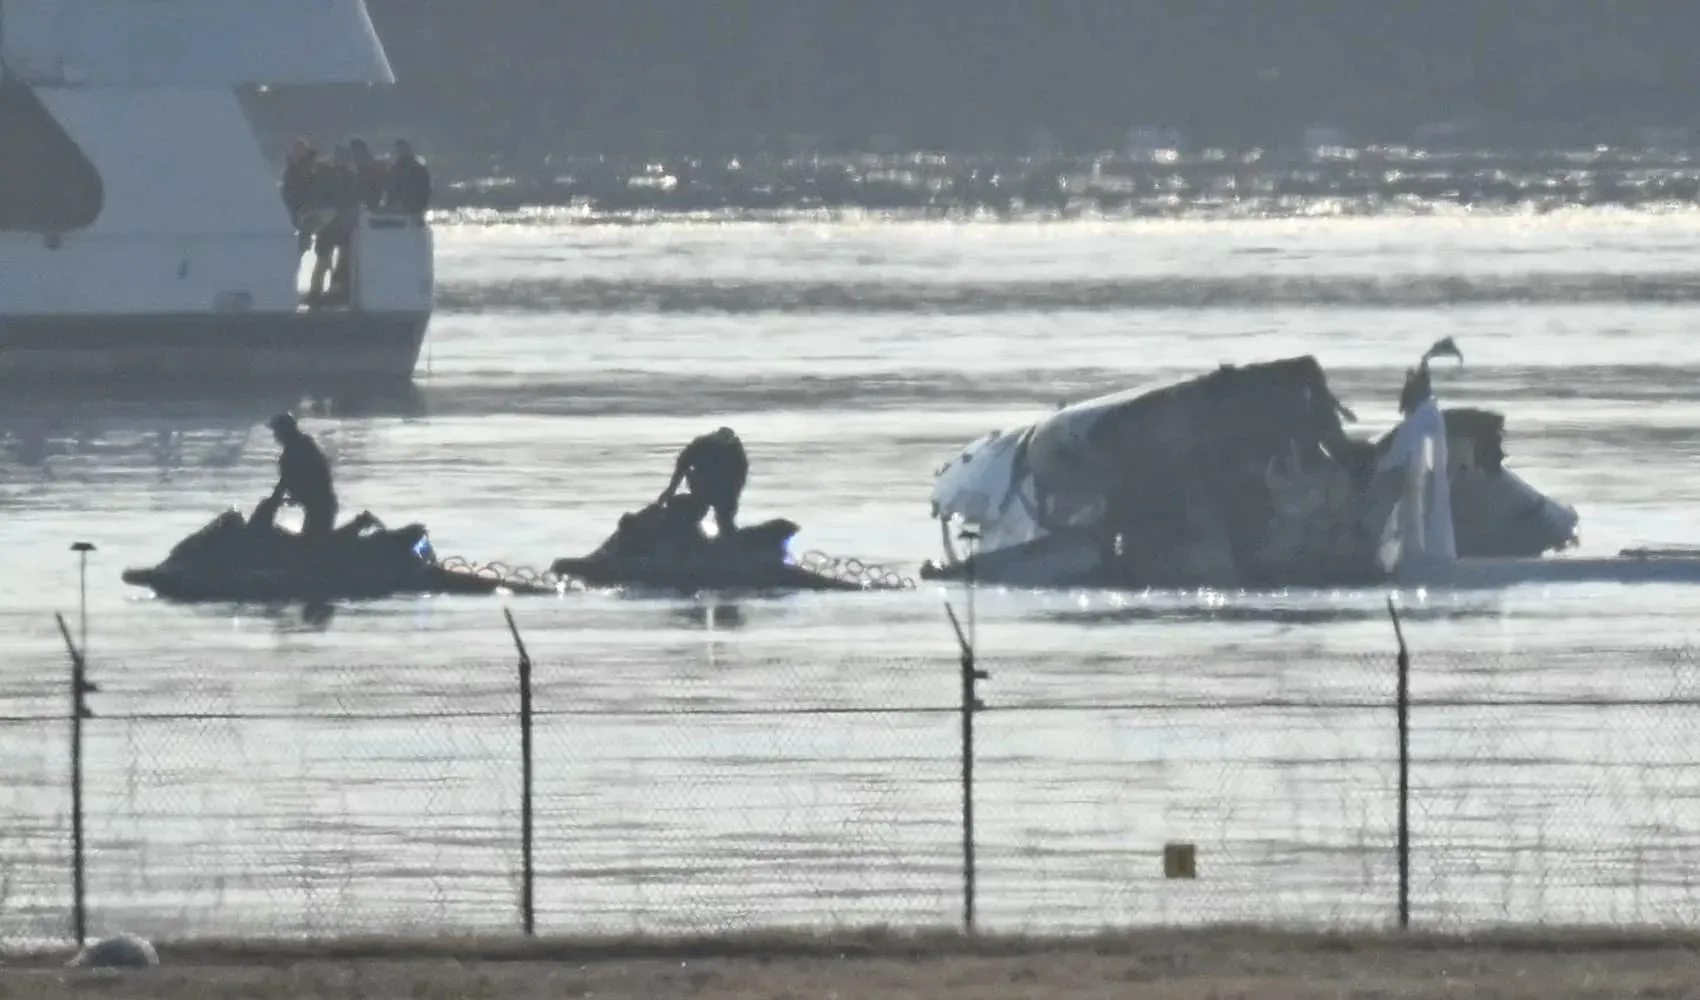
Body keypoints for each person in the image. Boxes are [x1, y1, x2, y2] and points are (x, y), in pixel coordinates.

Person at [1371, 338, 1463, 574]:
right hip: (1426, 490)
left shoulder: (1421, 419)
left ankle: (1426, 567)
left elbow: (1398, 456)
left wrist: (1376, 467)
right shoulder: (1431, 414)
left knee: (1422, 536)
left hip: (1423, 493)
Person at [658, 427, 748, 538]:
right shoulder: (702, 444)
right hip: (701, 484)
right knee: (692, 510)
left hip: (726, 489)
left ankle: (728, 542)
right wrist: (671, 489)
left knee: (725, 520)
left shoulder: (736, 452)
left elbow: (740, 476)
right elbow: (682, 463)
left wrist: (732, 495)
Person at [266, 413, 339, 541]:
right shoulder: (306, 445)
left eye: (276, 431)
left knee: (312, 545)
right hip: (322, 505)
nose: (275, 436)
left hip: (320, 507)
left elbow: (285, 482)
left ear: (285, 431)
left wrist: (272, 502)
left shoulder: (293, 453)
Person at [383, 139, 433, 217]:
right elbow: (390, 191)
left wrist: (416, 207)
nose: (401, 151)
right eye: (398, 149)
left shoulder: (419, 169)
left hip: (412, 210)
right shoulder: (394, 170)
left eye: (403, 148)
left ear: (408, 149)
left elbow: (425, 191)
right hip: (395, 210)